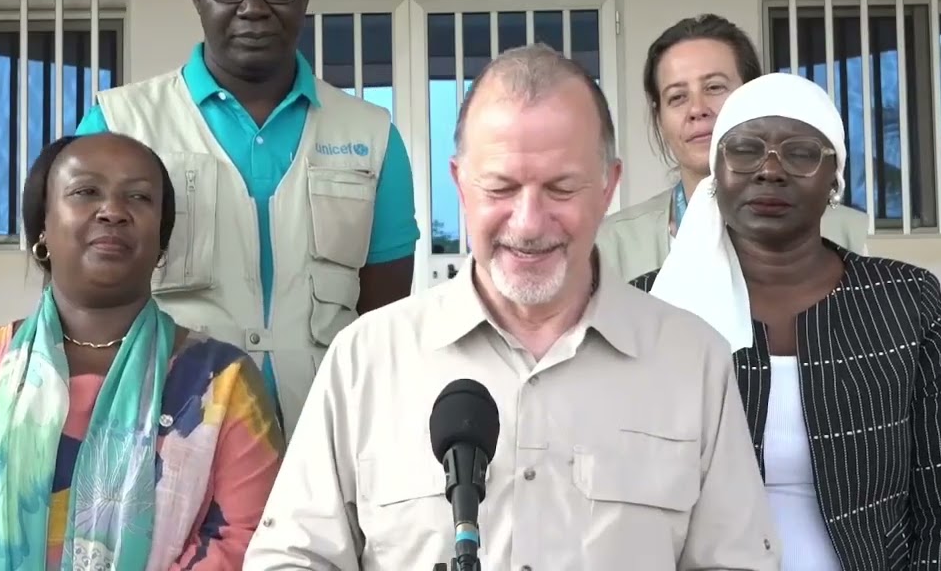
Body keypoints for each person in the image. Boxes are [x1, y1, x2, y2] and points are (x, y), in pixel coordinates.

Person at [243, 44, 780, 571]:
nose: (528, 222)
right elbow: (292, 557)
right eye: (500, 188)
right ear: (459, 185)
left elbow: (738, 561)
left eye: (561, 188)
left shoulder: (692, 361)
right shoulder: (366, 359)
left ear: (608, 187)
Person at [74, 0, 421, 440]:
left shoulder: (372, 137)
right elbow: (79, 301)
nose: (253, 7)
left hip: (324, 444)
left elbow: (384, 322)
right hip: (162, 442)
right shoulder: (118, 126)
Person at [0, 133, 284, 570]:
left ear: (162, 240)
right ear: (42, 227)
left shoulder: (224, 381)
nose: (113, 211)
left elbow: (250, 539)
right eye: (85, 192)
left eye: (139, 197)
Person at [647, 73, 941, 570]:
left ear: (835, 179)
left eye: (802, 153)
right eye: (745, 150)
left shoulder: (905, 301)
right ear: (717, 171)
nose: (770, 170)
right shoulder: (651, 305)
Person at [597, 14, 868, 285]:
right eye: (677, 97)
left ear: (755, 99)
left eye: (714, 87)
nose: (697, 109)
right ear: (660, 120)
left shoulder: (843, 233)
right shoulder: (616, 246)